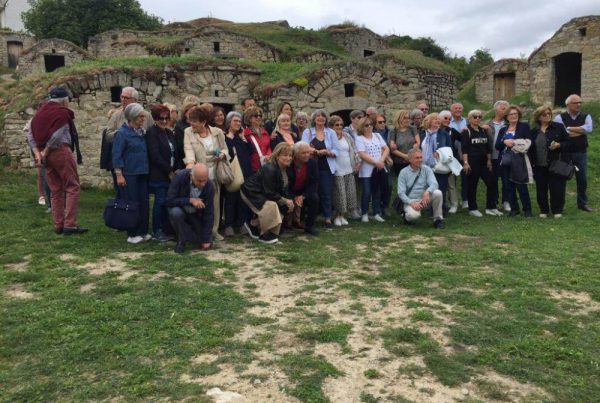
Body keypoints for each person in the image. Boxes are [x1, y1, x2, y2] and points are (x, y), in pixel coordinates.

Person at [30, 87, 87, 235]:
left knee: (55, 189)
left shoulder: (40, 113)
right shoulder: (62, 113)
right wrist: (46, 150)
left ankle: (58, 224)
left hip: (46, 156)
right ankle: (70, 224)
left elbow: (30, 134)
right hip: (60, 151)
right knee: (72, 186)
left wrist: (38, 153)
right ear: (64, 100)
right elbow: (57, 135)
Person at [183, 106, 228, 241]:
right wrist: (190, 163)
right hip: (199, 173)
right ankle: (199, 232)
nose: (191, 123)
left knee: (214, 205)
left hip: (214, 172)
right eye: (190, 120)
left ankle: (214, 231)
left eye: (194, 121)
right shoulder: (188, 132)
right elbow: (188, 148)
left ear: (203, 122)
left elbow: (225, 149)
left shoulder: (217, 132)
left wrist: (222, 155)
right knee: (198, 204)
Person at [101, 87, 153, 193]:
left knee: (141, 196)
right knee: (124, 196)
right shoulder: (117, 115)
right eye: (122, 97)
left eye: (127, 98)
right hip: (122, 160)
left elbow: (151, 134)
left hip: (140, 162)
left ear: (135, 100)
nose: (123, 100)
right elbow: (108, 134)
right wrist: (124, 134)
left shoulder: (146, 116)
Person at [240, 142, 295, 244]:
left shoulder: (287, 169)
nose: (288, 158)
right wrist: (285, 200)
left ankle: (253, 225)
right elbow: (269, 193)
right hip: (251, 192)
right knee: (271, 205)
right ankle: (264, 235)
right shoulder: (270, 168)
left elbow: (283, 189)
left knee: (284, 206)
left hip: (264, 192)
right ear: (277, 156)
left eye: (290, 155)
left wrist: (290, 201)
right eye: (285, 155)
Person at [112, 103, 150, 243]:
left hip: (142, 173)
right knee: (132, 203)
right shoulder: (122, 134)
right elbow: (117, 155)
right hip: (129, 174)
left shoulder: (141, 132)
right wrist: (119, 174)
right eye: (140, 116)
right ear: (132, 117)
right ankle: (133, 233)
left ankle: (143, 231)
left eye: (143, 115)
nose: (143, 118)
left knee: (144, 202)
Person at [531, 105, 573, 218]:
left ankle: (557, 210)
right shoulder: (534, 131)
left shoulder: (558, 127)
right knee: (541, 189)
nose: (547, 116)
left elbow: (569, 143)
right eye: (544, 114)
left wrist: (559, 145)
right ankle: (544, 210)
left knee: (557, 188)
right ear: (539, 117)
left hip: (555, 163)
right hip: (539, 164)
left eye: (549, 114)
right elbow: (531, 149)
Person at [554, 94, 593, 212]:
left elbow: (589, 129)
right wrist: (581, 131)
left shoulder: (586, 116)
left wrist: (570, 128)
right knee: (562, 178)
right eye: (576, 103)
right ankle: (560, 204)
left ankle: (582, 203)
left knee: (582, 179)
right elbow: (563, 133)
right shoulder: (559, 117)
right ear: (568, 105)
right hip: (565, 152)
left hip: (581, 152)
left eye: (580, 102)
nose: (579, 104)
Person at [302, 109, 339, 228]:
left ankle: (327, 218)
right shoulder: (307, 132)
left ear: (326, 119)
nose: (320, 118)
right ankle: (310, 218)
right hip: (311, 166)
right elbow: (304, 147)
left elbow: (336, 150)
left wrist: (328, 152)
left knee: (326, 193)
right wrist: (317, 151)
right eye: (318, 116)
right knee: (311, 192)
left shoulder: (331, 133)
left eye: (323, 116)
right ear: (314, 119)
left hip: (326, 166)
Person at [146, 104, 178, 242]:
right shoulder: (152, 133)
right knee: (159, 202)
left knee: (166, 202)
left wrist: (175, 169)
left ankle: (166, 229)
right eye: (161, 118)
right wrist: (169, 170)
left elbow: (174, 152)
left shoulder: (169, 133)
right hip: (159, 174)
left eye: (166, 118)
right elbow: (155, 155)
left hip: (170, 173)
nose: (164, 121)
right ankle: (157, 230)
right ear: (155, 118)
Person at [166, 163, 214, 253]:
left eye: (205, 180)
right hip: (182, 211)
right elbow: (169, 201)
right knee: (175, 212)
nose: (203, 184)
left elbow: (209, 213)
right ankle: (181, 240)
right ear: (191, 176)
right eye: (200, 181)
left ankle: (194, 236)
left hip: (196, 215)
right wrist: (190, 200)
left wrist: (206, 238)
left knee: (204, 241)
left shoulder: (209, 186)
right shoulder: (180, 178)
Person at [495, 105, 533, 217]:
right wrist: (504, 142)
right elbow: (497, 146)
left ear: (519, 115)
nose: (513, 116)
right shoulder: (503, 129)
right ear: (507, 116)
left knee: (521, 185)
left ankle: (527, 210)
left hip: (519, 159)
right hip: (506, 160)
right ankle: (514, 209)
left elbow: (529, 141)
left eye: (515, 114)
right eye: (511, 114)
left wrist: (514, 142)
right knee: (508, 185)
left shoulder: (524, 126)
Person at [462, 110, 499, 217]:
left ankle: (490, 207)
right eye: (475, 117)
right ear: (469, 118)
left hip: (484, 162)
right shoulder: (466, 131)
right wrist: (465, 162)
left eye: (479, 117)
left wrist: (489, 160)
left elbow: (487, 147)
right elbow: (464, 149)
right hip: (472, 162)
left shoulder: (483, 130)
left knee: (492, 182)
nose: (477, 118)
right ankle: (472, 208)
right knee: (472, 185)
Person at [223, 111, 253, 237]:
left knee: (242, 200)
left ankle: (241, 224)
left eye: (239, 121)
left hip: (245, 172)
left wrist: (243, 139)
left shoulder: (242, 137)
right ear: (229, 122)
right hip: (233, 171)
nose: (238, 123)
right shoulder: (225, 137)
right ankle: (228, 225)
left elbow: (250, 150)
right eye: (235, 121)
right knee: (230, 199)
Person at [397, 149, 444, 229]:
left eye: (421, 157)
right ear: (410, 160)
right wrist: (411, 202)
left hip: (424, 199)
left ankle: (437, 220)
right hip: (411, 201)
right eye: (417, 158)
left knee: (438, 193)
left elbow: (434, 184)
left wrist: (428, 192)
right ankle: (406, 217)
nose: (420, 160)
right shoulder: (403, 172)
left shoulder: (426, 169)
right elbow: (401, 193)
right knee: (414, 216)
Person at [355, 116, 389, 223]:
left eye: (371, 124)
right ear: (361, 127)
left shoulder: (377, 136)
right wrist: (376, 162)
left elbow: (386, 148)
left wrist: (382, 160)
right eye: (366, 125)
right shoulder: (359, 138)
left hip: (379, 168)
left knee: (377, 191)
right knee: (366, 192)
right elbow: (362, 154)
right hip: (367, 170)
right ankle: (364, 213)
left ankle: (376, 213)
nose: (369, 127)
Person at [329, 115, 359, 226]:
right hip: (337, 170)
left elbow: (354, 149)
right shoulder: (330, 137)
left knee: (348, 194)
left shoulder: (347, 136)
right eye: (337, 125)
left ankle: (343, 216)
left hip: (348, 168)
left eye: (341, 124)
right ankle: (337, 216)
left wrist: (357, 163)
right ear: (331, 126)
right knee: (339, 194)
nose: (339, 126)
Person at [420, 113, 452, 209]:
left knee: (441, 188)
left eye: (439, 119)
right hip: (424, 166)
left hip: (439, 166)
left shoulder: (444, 134)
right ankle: (427, 207)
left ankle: (440, 210)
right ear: (429, 121)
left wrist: (439, 152)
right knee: (426, 188)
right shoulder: (421, 134)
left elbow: (450, 149)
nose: (438, 121)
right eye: (435, 119)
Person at [287, 142, 320, 236]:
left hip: (304, 191)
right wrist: (294, 197)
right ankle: (283, 226)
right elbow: (285, 185)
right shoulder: (289, 163)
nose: (307, 155)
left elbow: (314, 183)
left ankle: (309, 227)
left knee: (314, 198)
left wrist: (303, 196)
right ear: (296, 154)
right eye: (303, 153)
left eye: (308, 152)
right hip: (289, 191)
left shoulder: (312, 163)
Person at [487, 100, 510, 212]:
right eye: (503, 108)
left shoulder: (508, 124)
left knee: (506, 180)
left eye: (507, 108)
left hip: (504, 156)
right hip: (492, 157)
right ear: (496, 109)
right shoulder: (488, 124)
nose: (506, 110)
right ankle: (494, 201)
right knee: (493, 180)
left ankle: (506, 201)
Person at [439, 110, 460, 213]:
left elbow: (463, 139)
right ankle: (440, 204)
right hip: (437, 161)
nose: (448, 120)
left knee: (451, 184)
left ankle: (454, 204)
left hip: (449, 160)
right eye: (445, 118)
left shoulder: (452, 131)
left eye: (449, 119)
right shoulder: (435, 130)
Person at [388, 109, 419, 176]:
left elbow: (418, 142)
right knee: (402, 182)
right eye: (405, 118)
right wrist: (405, 156)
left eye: (408, 118)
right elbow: (393, 149)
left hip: (413, 161)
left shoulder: (412, 128)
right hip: (399, 162)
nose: (407, 120)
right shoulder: (393, 131)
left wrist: (415, 147)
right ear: (399, 118)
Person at [449, 102, 468, 208]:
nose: (458, 110)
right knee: (452, 178)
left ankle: (465, 199)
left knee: (465, 176)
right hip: (452, 152)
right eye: (455, 108)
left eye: (460, 108)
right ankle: (452, 200)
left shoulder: (466, 121)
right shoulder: (448, 121)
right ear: (451, 110)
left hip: (464, 152)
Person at [373, 113, 392, 215]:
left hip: (388, 163)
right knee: (378, 186)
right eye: (380, 122)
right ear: (375, 124)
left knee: (389, 185)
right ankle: (378, 207)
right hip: (377, 161)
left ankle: (385, 205)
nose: (382, 124)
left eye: (384, 122)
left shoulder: (389, 132)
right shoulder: (373, 134)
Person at [244, 105, 272, 173]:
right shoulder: (245, 134)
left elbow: (268, 146)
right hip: (253, 168)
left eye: (260, 116)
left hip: (266, 166)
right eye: (256, 116)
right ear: (249, 118)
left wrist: (269, 155)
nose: (259, 117)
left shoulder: (265, 132)